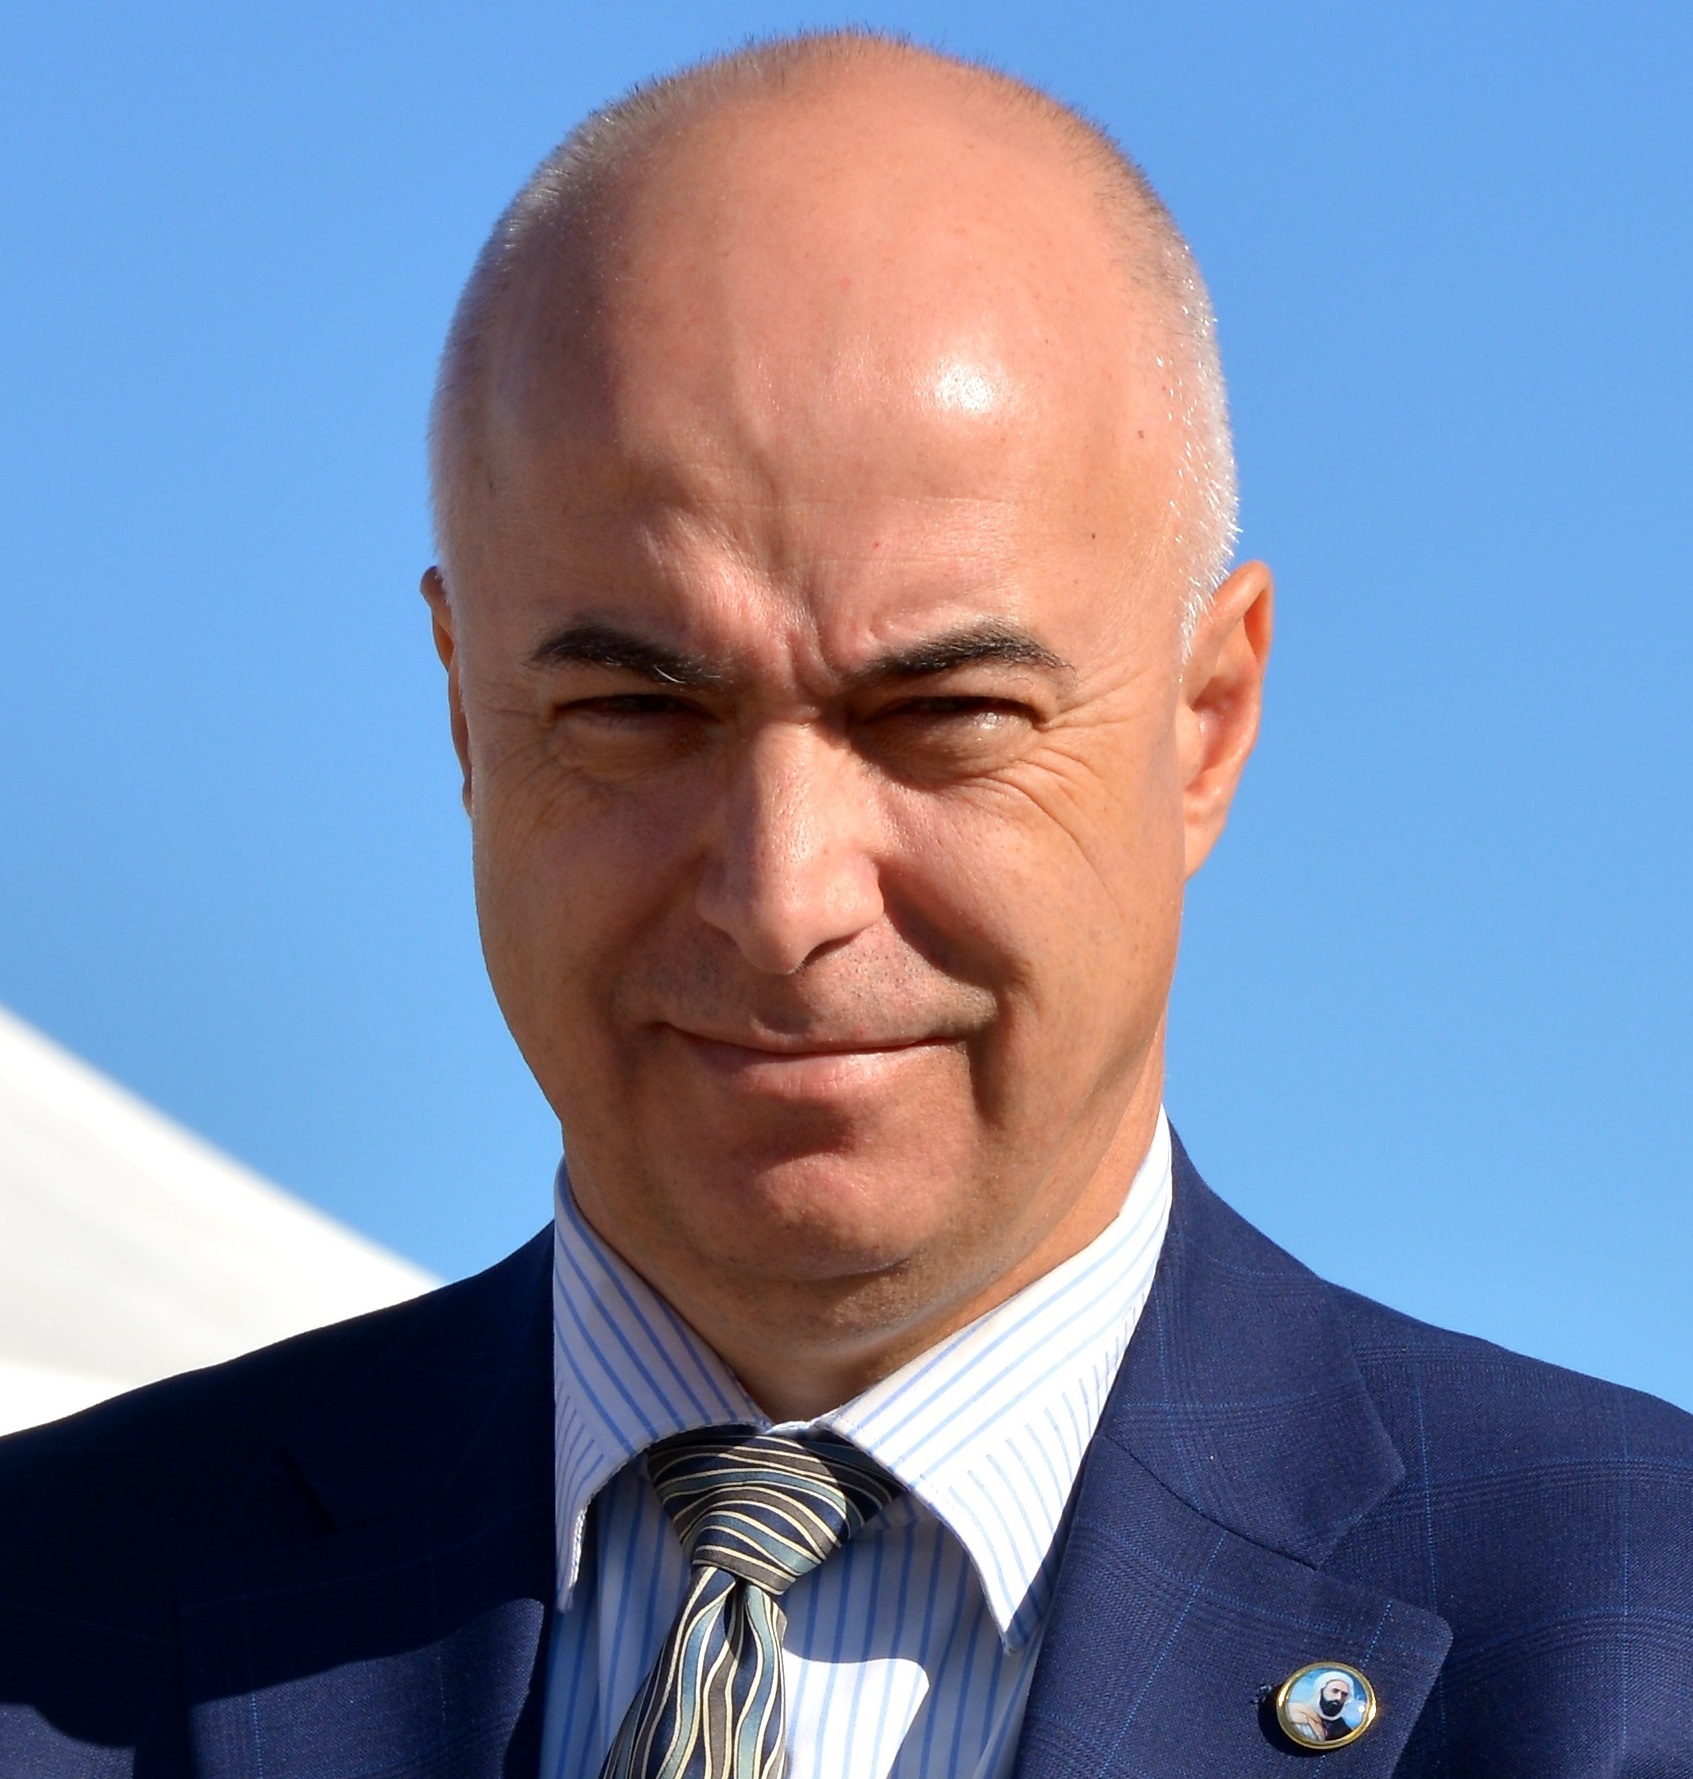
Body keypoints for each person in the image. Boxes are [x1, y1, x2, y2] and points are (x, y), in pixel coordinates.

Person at [1, 30, 1690, 1779]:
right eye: (635, 710)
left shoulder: (1634, 1661)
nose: (781, 895)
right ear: (463, 715)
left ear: (1205, 723)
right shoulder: (45, 1620)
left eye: (943, 715)